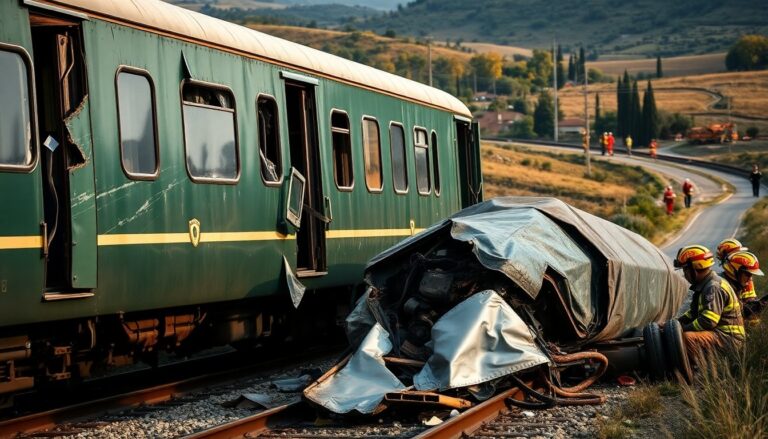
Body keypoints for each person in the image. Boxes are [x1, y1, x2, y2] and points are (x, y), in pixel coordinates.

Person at [675, 245, 745, 361]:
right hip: (721, 335)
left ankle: (697, 374)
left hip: (730, 339)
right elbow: (693, 313)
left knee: (687, 338)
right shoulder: (704, 285)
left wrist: (682, 329)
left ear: (694, 269)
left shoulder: (713, 287)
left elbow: (708, 321)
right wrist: (675, 323)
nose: (684, 274)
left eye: (685, 269)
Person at [722, 251, 765, 322]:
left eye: (751, 275)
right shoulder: (721, 287)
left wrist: (753, 307)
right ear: (734, 271)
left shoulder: (734, 285)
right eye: (748, 274)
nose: (750, 279)